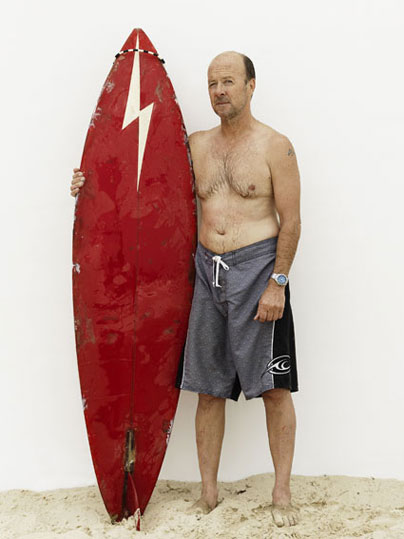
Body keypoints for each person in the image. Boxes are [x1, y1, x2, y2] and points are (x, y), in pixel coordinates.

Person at [70, 50, 301, 528]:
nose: (219, 91)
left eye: (229, 82)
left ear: (251, 85)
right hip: (206, 274)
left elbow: (292, 221)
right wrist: (89, 183)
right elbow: (142, 188)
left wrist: (277, 282)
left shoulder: (275, 146)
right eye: (213, 83)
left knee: (273, 388)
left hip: (257, 273)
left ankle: (281, 493)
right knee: (207, 390)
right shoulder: (194, 146)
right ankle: (208, 494)